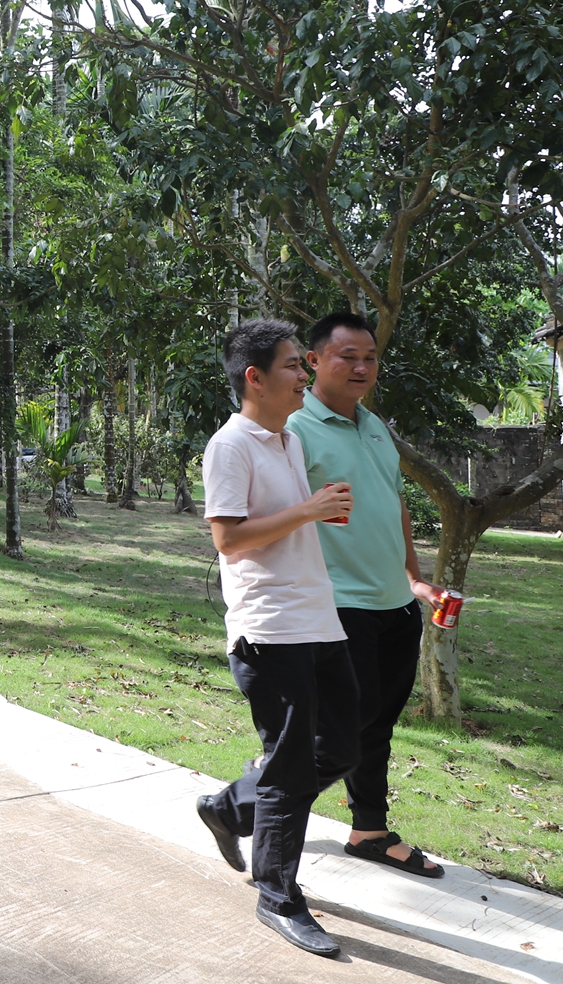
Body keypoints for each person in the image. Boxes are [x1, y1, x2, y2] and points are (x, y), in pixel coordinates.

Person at [194, 318, 358, 958]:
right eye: (294, 365)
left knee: (341, 745)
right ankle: (278, 895)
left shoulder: (286, 441)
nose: (304, 373)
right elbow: (229, 539)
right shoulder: (229, 446)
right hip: (269, 628)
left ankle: (233, 808)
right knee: (289, 766)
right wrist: (309, 510)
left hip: (318, 618)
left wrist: (312, 510)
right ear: (255, 378)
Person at [290, 311, 445, 879]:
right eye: (346, 356)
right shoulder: (293, 431)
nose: (360, 367)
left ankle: (369, 830)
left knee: (375, 726)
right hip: (337, 605)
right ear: (313, 361)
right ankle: (250, 802)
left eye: (370, 357)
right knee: (338, 732)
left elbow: (393, 504)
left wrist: (414, 578)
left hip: (394, 607)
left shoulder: (375, 426)